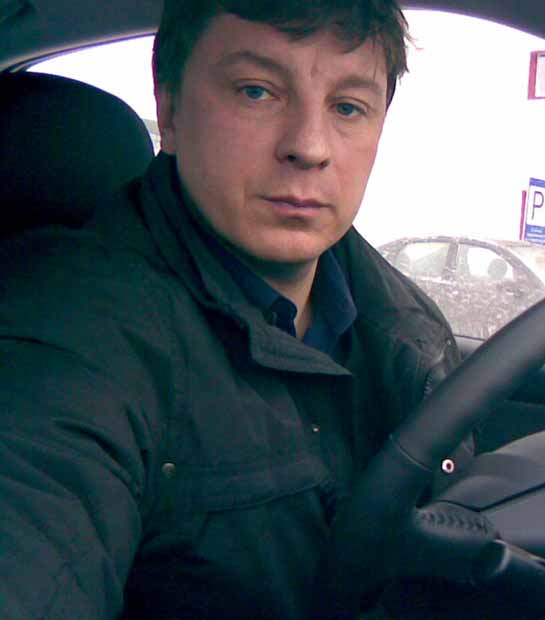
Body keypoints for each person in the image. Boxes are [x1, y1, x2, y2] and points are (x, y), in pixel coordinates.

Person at [0, 1, 472, 618]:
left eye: (348, 107)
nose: (309, 147)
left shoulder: (406, 324)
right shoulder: (71, 334)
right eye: (257, 91)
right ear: (170, 111)